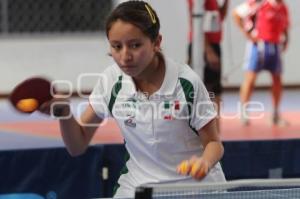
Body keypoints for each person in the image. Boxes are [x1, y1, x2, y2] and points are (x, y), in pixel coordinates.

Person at [40, 1, 225, 198]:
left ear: (156, 42)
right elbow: (77, 146)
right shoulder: (111, 81)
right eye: (116, 46)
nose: (125, 56)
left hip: (196, 189)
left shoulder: (187, 83)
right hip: (139, 188)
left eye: (135, 45)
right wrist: (64, 113)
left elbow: (214, 143)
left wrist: (204, 162)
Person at [232, 0, 290, 126]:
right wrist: (247, 34)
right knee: (250, 79)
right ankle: (244, 113)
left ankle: (275, 114)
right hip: (258, 46)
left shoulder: (283, 7)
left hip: (275, 46)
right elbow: (236, 14)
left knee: (277, 80)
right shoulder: (259, 3)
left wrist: (286, 39)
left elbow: (285, 26)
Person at [187, 0, 229, 131]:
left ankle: (216, 131)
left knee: (215, 90)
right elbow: (198, 21)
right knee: (203, 90)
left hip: (213, 44)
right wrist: (208, 50)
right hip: (202, 46)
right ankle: (203, 130)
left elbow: (219, 16)